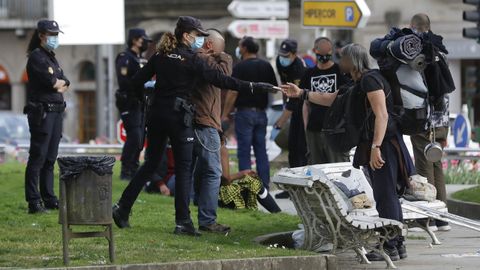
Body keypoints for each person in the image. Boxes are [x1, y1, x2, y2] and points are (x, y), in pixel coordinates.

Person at [112, 16, 274, 236]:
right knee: (184, 169)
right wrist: (256, 86)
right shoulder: (192, 59)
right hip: (180, 118)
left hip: (157, 115)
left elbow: (136, 82)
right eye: (198, 35)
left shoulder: (161, 55)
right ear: (187, 36)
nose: (200, 40)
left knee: (150, 164)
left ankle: (122, 208)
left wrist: (146, 102)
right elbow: (223, 81)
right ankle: (183, 223)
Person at [281, 43, 409, 262]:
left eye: (343, 58)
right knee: (385, 195)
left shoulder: (370, 80)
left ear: (352, 60)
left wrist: (376, 147)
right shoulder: (357, 83)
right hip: (379, 142)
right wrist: (301, 93)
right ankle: (396, 244)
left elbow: (382, 115)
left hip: (384, 144)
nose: (339, 62)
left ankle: (390, 246)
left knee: (385, 195)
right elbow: (332, 98)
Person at [408, 14, 451, 231]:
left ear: (413, 27)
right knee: (437, 166)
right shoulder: (440, 50)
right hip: (441, 120)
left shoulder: (416, 50)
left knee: (424, 167)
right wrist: (446, 128)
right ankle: (443, 218)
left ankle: (427, 219)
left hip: (423, 120)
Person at [24, 20, 69, 214]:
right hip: (43, 112)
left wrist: (59, 83)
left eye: (56, 34)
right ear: (41, 35)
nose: (54, 38)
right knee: (38, 157)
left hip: (57, 112)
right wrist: (58, 84)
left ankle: (49, 197)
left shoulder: (51, 57)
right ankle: (34, 201)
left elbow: (66, 82)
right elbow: (53, 83)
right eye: (51, 34)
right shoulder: (37, 57)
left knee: (50, 158)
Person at [222, 36, 278, 189]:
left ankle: (247, 185)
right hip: (261, 114)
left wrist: (225, 113)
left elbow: (233, 92)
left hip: (244, 114)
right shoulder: (266, 65)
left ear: (245, 48)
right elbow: (273, 88)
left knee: (244, 151)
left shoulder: (240, 67)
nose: (239, 49)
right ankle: (264, 186)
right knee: (261, 151)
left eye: (240, 46)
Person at [191, 29, 232, 233]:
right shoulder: (205, 62)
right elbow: (224, 77)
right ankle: (207, 220)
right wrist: (225, 57)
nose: (222, 53)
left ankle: (196, 214)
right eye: (221, 48)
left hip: (208, 123)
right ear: (210, 46)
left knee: (200, 171)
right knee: (214, 172)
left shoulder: (204, 63)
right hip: (204, 124)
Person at [300, 37, 350, 165]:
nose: (324, 54)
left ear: (331, 50)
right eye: (321, 51)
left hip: (336, 130)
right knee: (317, 171)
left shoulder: (340, 71)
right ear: (315, 50)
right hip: (314, 130)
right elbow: (306, 104)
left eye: (327, 51)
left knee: (338, 169)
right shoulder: (308, 74)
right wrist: (307, 127)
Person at [115, 28, 152, 181]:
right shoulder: (125, 58)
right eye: (143, 40)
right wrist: (142, 84)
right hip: (129, 102)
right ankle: (126, 169)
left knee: (140, 137)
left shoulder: (141, 59)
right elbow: (124, 81)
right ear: (136, 40)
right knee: (134, 136)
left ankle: (134, 168)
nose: (146, 44)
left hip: (141, 102)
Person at [273, 39, 307, 199]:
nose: (283, 58)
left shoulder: (299, 68)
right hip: (292, 106)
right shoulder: (281, 63)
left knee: (301, 149)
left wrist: (281, 120)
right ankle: (292, 188)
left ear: (294, 55)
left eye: (286, 55)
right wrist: (284, 104)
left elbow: (295, 100)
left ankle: (301, 188)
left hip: (303, 108)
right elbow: (284, 87)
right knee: (293, 150)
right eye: (281, 55)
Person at [219, 137, 281, 213]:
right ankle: (277, 213)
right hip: (217, 198)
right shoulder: (220, 148)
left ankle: (277, 212)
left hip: (204, 195)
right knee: (254, 183)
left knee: (249, 182)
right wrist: (241, 174)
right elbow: (225, 179)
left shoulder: (202, 146)